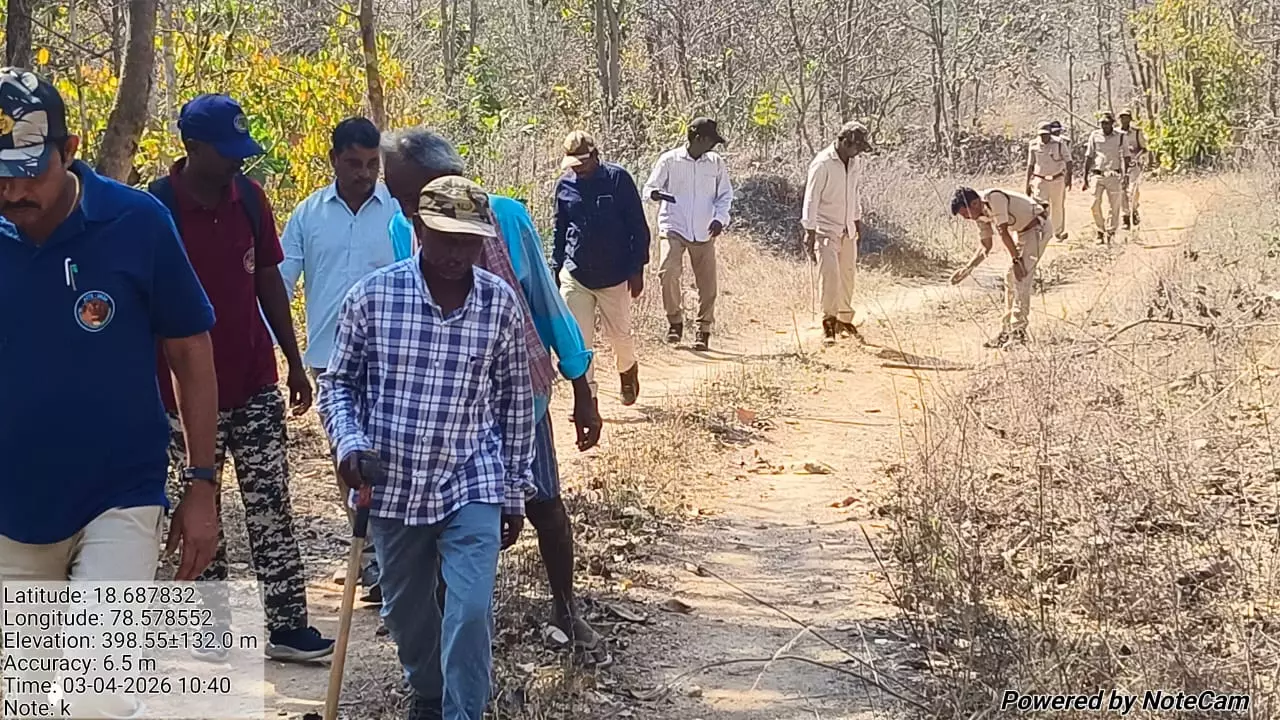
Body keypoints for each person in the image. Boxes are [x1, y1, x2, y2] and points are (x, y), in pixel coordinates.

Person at [0, 68, 219, 716]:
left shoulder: (137, 222)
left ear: (69, 151)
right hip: (11, 511)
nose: (14, 190)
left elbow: (190, 350)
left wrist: (202, 484)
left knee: (99, 692)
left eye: (28, 171)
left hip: (120, 497)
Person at [382, 128, 608, 669]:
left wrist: (581, 387)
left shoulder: (505, 217)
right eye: (401, 199)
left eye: (408, 193)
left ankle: (565, 606)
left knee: (543, 503)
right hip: (446, 402)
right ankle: (447, 635)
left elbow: (545, 303)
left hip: (517, 392)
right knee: (441, 514)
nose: (402, 205)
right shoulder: (399, 228)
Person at [320, 176, 536, 720]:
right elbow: (339, 383)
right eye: (446, 238)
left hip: (471, 476)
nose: (457, 253)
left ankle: (463, 712)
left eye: (469, 241)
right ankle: (429, 692)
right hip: (392, 481)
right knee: (406, 612)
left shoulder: (499, 305)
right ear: (417, 229)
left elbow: (514, 401)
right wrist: (349, 444)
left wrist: (513, 492)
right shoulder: (373, 298)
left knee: (469, 609)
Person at [151, 93, 334, 662]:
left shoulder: (251, 200)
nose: (238, 161)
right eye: (226, 152)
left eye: (241, 150)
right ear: (192, 147)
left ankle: (286, 626)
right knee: (197, 509)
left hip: (253, 381)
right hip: (178, 395)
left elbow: (269, 283)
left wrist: (294, 360)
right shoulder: (155, 210)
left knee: (271, 503)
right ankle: (210, 628)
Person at [281, 116, 399, 601]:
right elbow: (280, 284)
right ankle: (370, 559)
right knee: (348, 457)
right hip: (330, 360)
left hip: (392, 355)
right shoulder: (308, 216)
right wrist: (285, 357)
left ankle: (395, 557)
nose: (363, 173)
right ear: (334, 160)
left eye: (372, 164)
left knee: (391, 453)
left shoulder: (396, 212)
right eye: (354, 163)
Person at [553, 131, 649, 405]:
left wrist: (637, 268)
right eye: (574, 164)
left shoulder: (618, 180)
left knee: (620, 335)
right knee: (579, 342)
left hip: (614, 275)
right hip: (576, 274)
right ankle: (588, 397)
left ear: (595, 156)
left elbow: (637, 228)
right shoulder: (564, 186)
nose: (578, 169)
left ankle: (627, 371)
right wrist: (556, 269)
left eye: (582, 163)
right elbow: (560, 229)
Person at [642, 117, 734, 350]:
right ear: (699, 138)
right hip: (673, 225)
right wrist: (655, 195)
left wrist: (719, 219)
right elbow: (649, 187)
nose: (714, 146)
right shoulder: (670, 160)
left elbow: (725, 196)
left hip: (705, 229)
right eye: (711, 140)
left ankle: (703, 330)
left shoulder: (715, 163)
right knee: (667, 271)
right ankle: (675, 322)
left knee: (707, 284)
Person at [948, 186, 1048, 349]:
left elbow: (1003, 232)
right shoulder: (979, 213)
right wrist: (967, 269)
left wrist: (1017, 261)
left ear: (974, 203)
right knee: (1010, 278)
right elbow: (986, 246)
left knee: (1020, 278)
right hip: (1021, 233)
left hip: (1037, 229)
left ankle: (1018, 334)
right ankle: (1007, 331)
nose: (967, 219)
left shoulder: (994, 198)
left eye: (966, 214)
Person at [801, 121, 872, 345]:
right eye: (855, 147)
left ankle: (844, 319)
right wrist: (809, 230)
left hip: (847, 227)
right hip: (825, 227)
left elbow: (854, 191)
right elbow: (811, 199)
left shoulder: (854, 162)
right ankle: (829, 321)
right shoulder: (822, 164)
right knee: (830, 276)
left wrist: (857, 218)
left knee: (847, 275)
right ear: (843, 141)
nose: (858, 152)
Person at [1024, 121, 1072, 240]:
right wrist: (1027, 184)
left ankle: (1058, 233)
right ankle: (1041, 231)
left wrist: (1069, 177)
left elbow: (1068, 161)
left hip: (1057, 179)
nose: (1044, 137)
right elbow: (1030, 165)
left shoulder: (1059, 143)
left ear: (1050, 133)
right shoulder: (1033, 144)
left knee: (1057, 206)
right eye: (1041, 135)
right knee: (1040, 207)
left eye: (1046, 134)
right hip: (1040, 180)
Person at [1082, 111, 1125, 244]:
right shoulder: (1094, 135)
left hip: (1114, 174)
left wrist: (1126, 175)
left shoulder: (1120, 137)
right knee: (1094, 204)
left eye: (1107, 123)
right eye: (1102, 123)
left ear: (1112, 123)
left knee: (1114, 205)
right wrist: (1085, 177)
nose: (1104, 126)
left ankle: (1111, 232)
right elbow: (1089, 156)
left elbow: (1126, 157)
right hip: (1097, 174)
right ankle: (1100, 230)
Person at [1118, 109, 1148, 229]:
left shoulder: (1136, 133)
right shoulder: (1116, 133)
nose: (1124, 120)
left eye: (1126, 117)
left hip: (1134, 165)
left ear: (1130, 119)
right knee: (1122, 191)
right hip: (1119, 166)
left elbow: (1144, 148)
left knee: (1134, 190)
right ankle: (1125, 216)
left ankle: (1134, 210)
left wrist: (1137, 157)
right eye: (1122, 117)